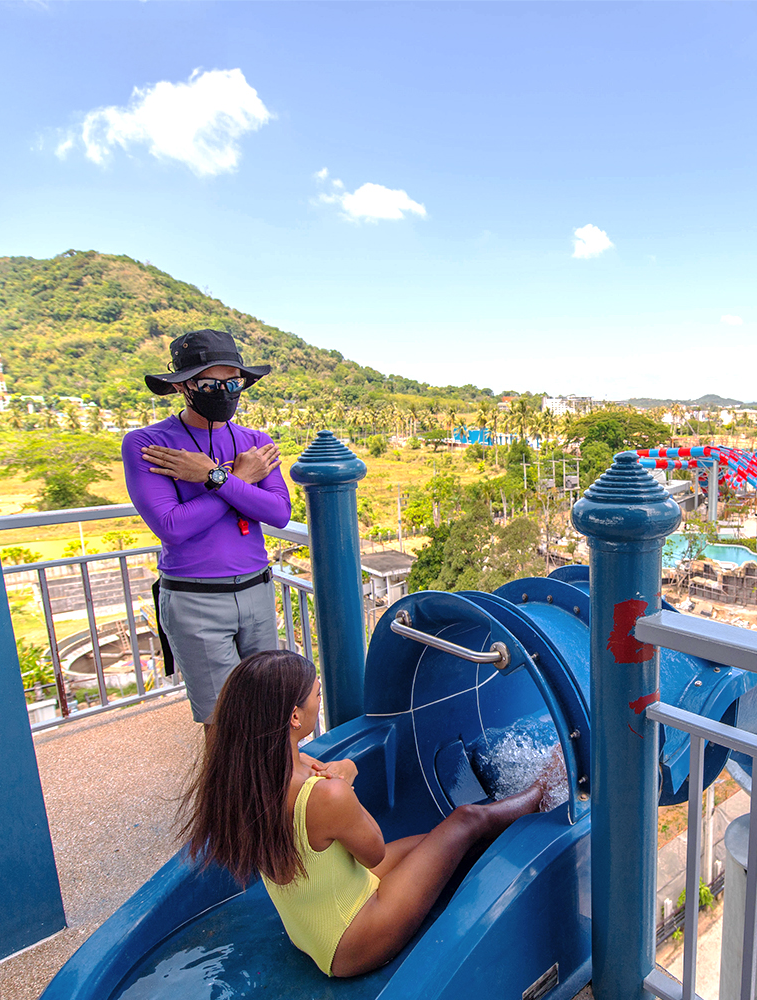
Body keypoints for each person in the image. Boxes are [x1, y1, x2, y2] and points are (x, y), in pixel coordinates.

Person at [180, 650, 550, 977]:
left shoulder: (249, 776)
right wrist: (348, 782)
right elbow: (373, 851)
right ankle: (543, 788)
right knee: (467, 820)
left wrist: (343, 773)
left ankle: (516, 823)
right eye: (315, 695)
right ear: (295, 716)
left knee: (445, 846)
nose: (319, 699)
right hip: (355, 941)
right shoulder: (325, 794)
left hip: (313, 925)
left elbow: (315, 782)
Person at [124, 329, 291, 725]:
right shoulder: (149, 445)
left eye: (233, 382)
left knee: (271, 708)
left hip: (257, 591)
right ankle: (225, 791)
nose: (224, 391)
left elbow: (279, 512)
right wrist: (236, 481)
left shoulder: (254, 441)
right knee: (221, 719)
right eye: (210, 383)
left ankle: (276, 788)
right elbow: (172, 527)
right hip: (195, 600)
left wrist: (213, 478)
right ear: (183, 386)